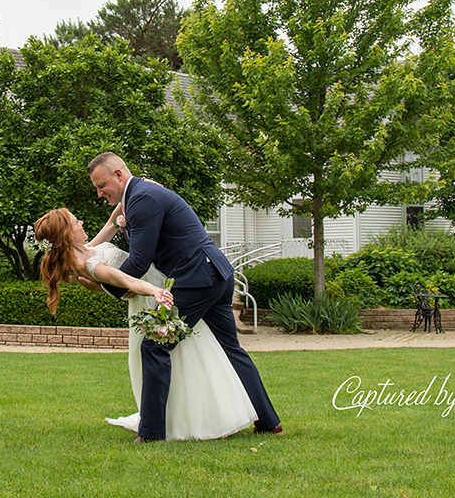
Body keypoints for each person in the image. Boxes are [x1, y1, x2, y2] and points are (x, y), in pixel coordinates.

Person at [87, 151, 283, 442]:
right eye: (97, 189)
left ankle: (152, 433)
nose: (101, 193)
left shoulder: (142, 198)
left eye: (102, 186)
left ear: (118, 174)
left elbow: (140, 262)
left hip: (197, 278)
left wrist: (107, 286)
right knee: (231, 349)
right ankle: (269, 422)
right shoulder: (139, 194)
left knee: (154, 343)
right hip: (216, 274)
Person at [32, 206, 258, 440]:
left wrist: (132, 193)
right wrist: (153, 290)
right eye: (75, 221)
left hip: (156, 284)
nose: (81, 222)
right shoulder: (86, 264)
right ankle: (178, 420)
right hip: (149, 298)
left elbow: (110, 225)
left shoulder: (85, 250)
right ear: (68, 235)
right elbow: (124, 280)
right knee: (173, 354)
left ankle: (182, 417)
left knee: (188, 351)